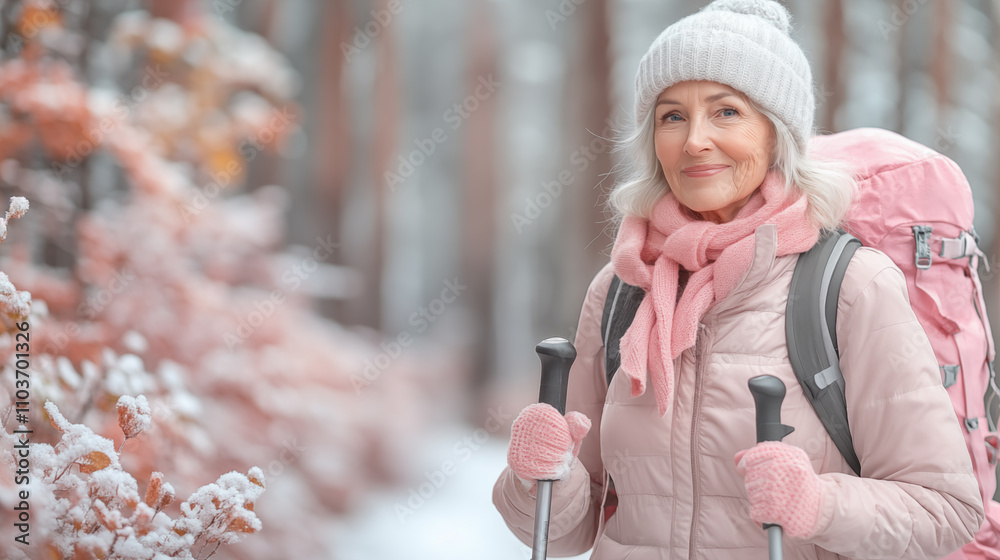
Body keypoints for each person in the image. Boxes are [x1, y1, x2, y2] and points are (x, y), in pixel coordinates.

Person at [492, 0, 986, 558]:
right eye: (671, 116)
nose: (695, 140)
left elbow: (947, 510)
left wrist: (817, 504)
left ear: (778, 135)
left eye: (726, 112)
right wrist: (538, 476)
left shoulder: (850, 286)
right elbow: (566, 533)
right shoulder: (622, 288)